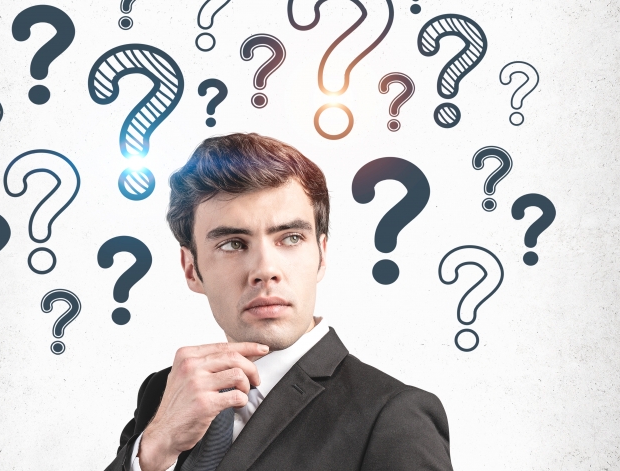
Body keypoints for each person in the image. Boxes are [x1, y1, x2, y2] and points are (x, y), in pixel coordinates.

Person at [104, 133, 453, 471]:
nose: (265, 270)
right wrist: (153, 449)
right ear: (192, 269)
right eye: (233, 244)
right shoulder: (162, 394)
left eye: (291, 238)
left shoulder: (394, 415)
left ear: (321, 255)